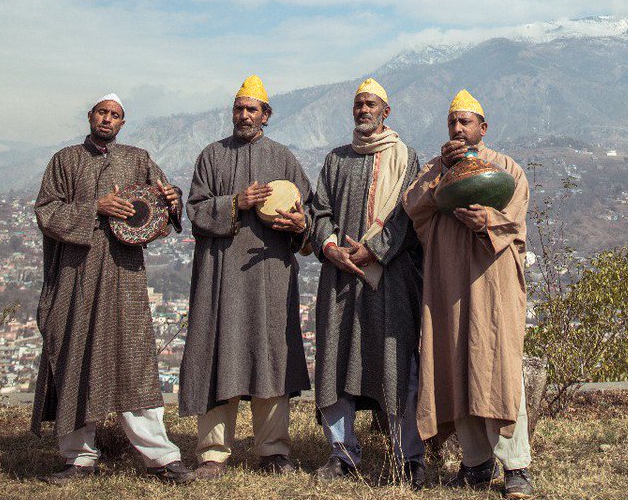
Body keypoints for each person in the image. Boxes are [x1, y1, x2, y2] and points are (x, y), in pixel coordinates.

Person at [31, 93, 193, 485]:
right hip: (77, 276)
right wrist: (95, 208)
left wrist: (173, 200)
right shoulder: (65, 161)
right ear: (90, 116)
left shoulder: (137, 158)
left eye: (115, 115)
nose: (107, 119)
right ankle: (78, 458)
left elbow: (160, 203)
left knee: (133, 362)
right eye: (102, 112)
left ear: (123, 123)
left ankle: (161, 458)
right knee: (75, 358)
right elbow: (46, 213)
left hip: (125, 277)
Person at [178, 75, 311, 478]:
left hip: (271, 276)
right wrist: (235, 202)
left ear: (266, 115)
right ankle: (212, 453)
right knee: (219, 352)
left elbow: (311, 217)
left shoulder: (285, 159)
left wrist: (299, 225)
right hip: (221, 277)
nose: (244, 115)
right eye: (238, 108)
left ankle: (273, 450)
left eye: (251, 109)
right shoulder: (211, 156)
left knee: (270, 355)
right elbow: (196, 210)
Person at [403, 90, 533, 499]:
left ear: (483, 127)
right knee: (457, 365)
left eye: (466, 122)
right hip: (448, 285)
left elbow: (514, 221)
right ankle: (476, 463)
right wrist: (442, 168)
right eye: (452, 122)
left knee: (499, 368)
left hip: (493, 286)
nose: (458, 129)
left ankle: (516, 467)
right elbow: (413, 207)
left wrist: (487, 220)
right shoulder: (435, 170)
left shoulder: (507, 168)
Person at [310, 78, 425, 487]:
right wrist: (329, 246)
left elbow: (409, 215)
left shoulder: (407, 158)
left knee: (398, 365)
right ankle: (342, 454)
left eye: (370, 104)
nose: (363, 110)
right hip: (341, 280)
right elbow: (318, 210)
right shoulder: (335, 161)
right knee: (337, 365)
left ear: (385, 112)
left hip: (390, 283)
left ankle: (408, 457)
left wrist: (374, 249)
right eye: (358, 104)